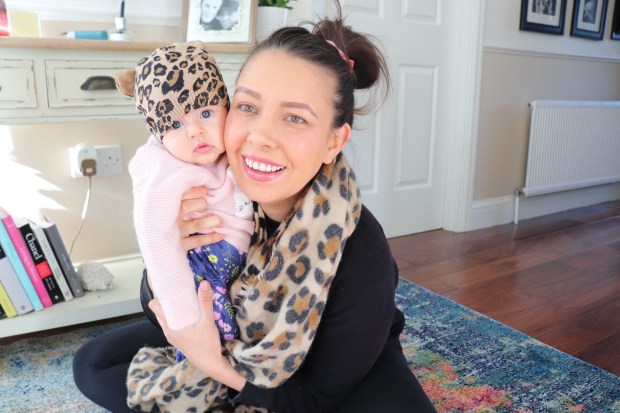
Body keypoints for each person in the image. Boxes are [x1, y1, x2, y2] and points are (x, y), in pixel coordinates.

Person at [73, 5, 437, 412]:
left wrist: (211, 362)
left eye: (295, 118)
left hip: (325, 379)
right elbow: (158, 300)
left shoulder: (360, 251)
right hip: (237, 334)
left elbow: (313, 398)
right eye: (248, 107)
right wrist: (173, 250)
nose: (260, 137)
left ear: (334, 142)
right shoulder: (213, 190)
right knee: (93, 364)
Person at [115, 41, 254, 362]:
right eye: (176, 124)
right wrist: (183, 320)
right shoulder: (161, 165)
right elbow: (155, 236)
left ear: (227, 107)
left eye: (206, 113)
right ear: (159, 134)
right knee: (210, 341)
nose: (195, 131)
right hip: (202, 267)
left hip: (243, 269)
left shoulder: (239, 145)